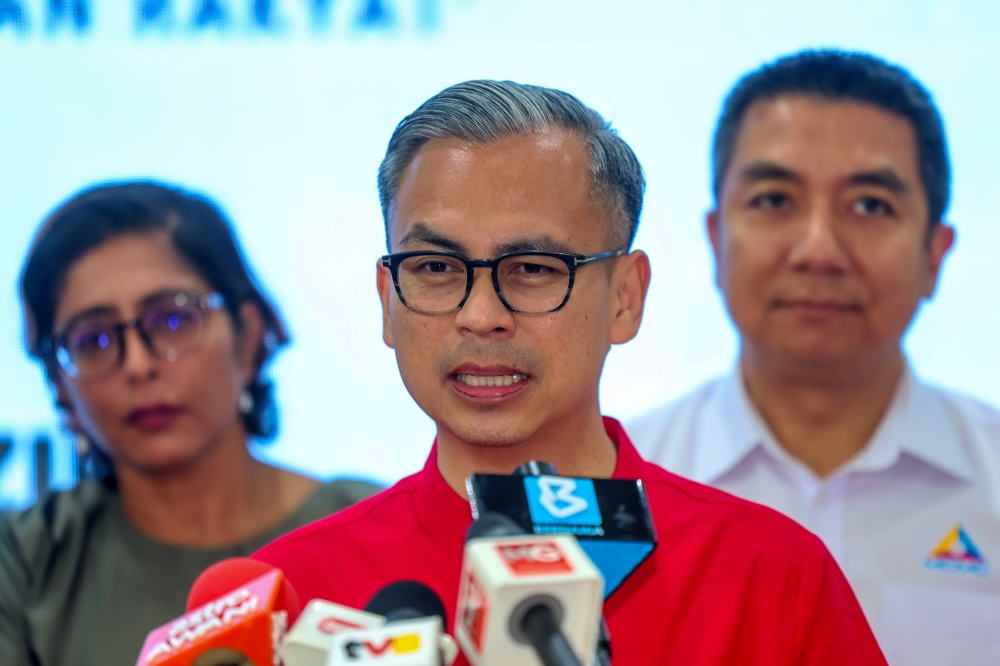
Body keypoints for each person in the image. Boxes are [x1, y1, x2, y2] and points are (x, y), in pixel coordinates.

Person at [255, 80, 886, 664]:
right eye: (435, 268)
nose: (481, 316)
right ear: (387, 300)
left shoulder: (770, 574)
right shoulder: (290, 598)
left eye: (533, 269)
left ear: (625, 297)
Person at [627, 50, 1000, 664]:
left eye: (870, 206)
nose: (818, 250)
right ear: (717, 239)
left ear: (936, 253)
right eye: (775, 200)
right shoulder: (618, 489)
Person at [0, 182, 380, 666]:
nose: (138, 365)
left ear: (248, 334)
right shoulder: (25, 561)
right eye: (93, 341)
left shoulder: (373, 525)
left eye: (172, 321)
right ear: (58, 383)